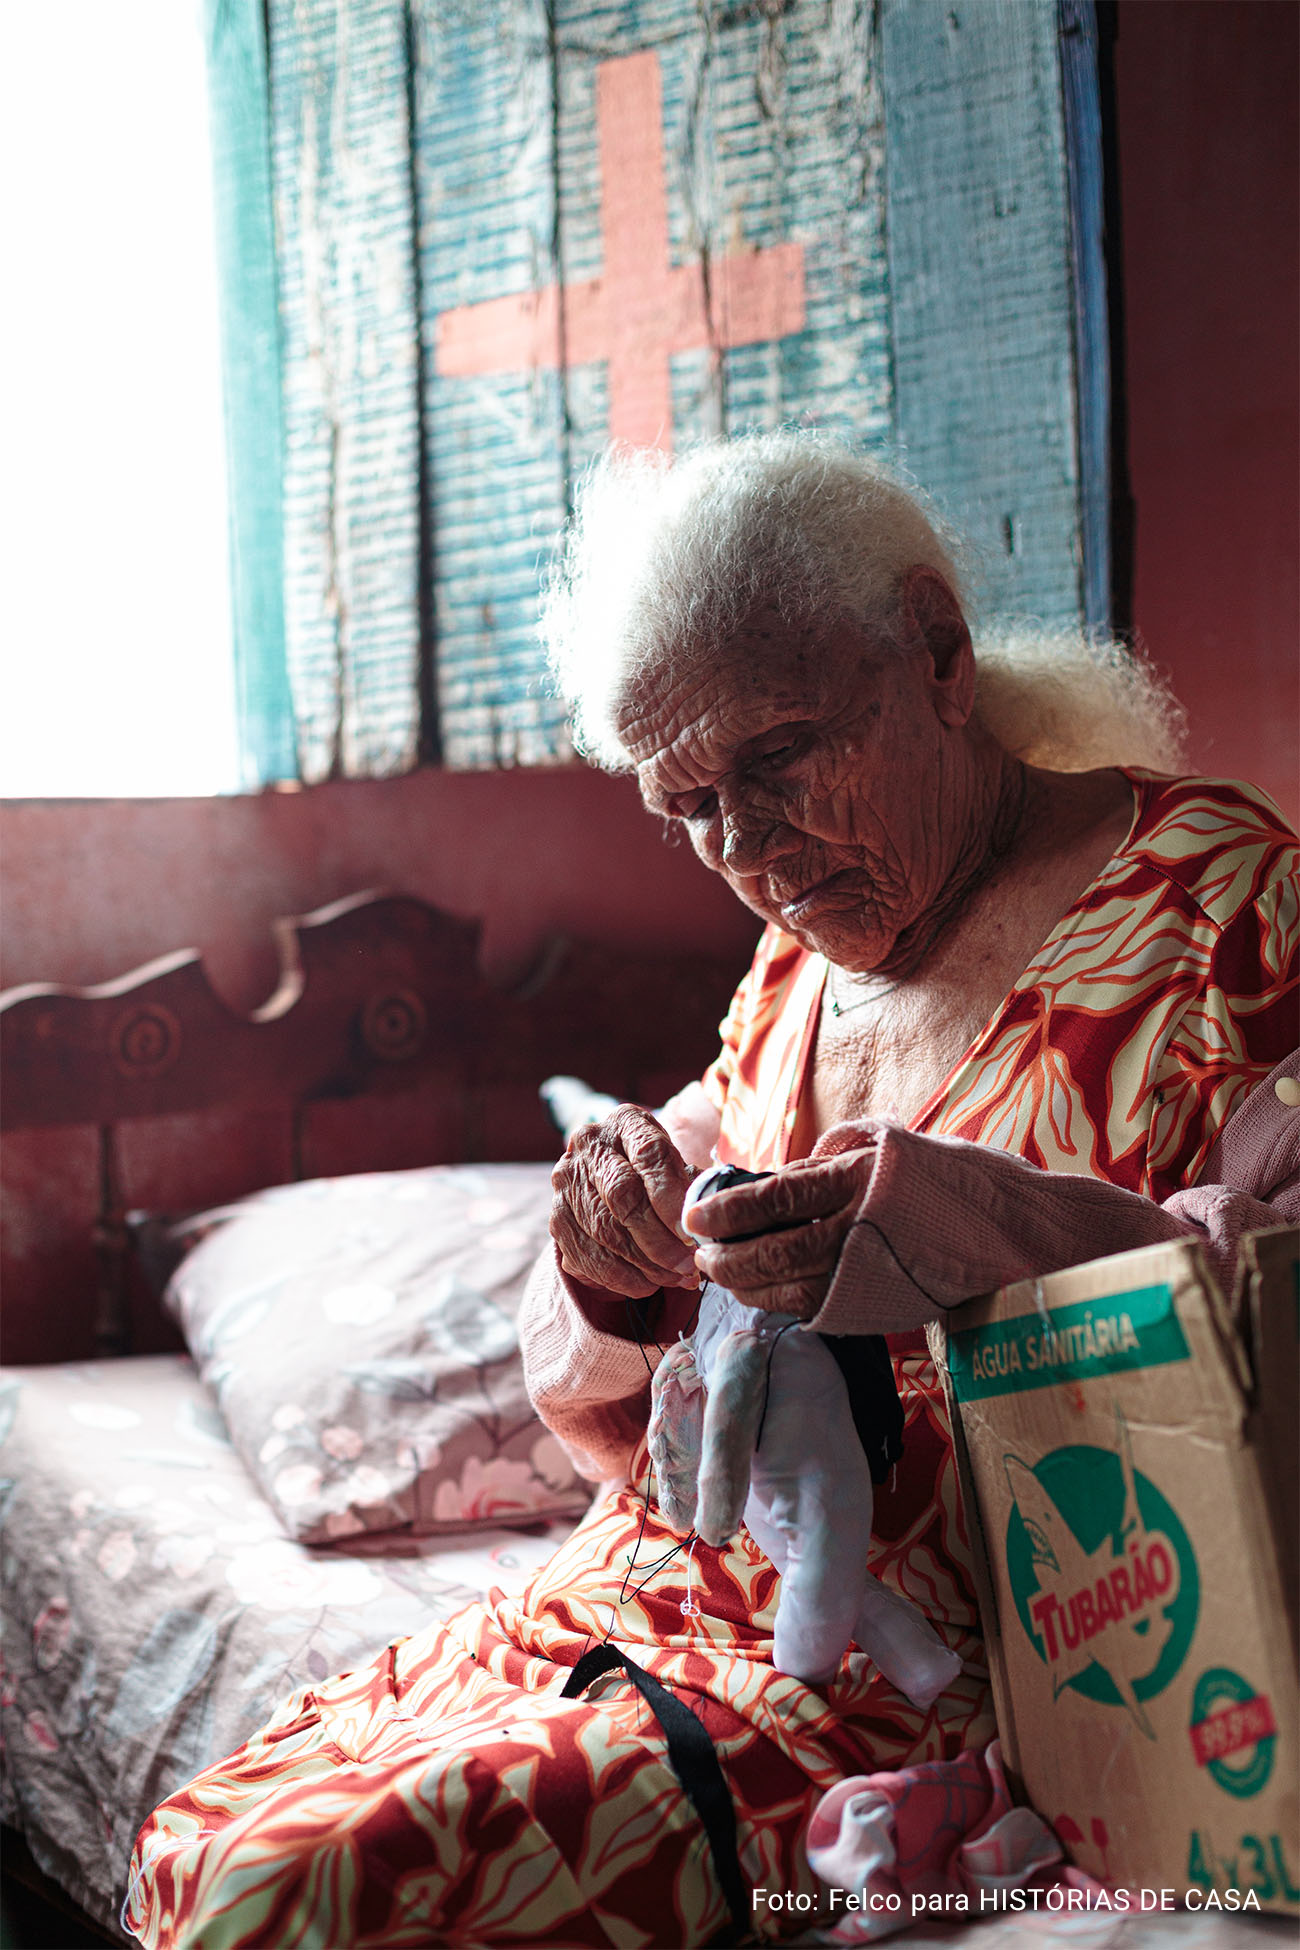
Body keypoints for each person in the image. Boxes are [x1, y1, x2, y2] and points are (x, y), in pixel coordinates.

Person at [125, 435, 1297, 1950]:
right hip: (634, 1607)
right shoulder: (799, 964)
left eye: (776, 757)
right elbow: (648, 1385)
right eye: (686, 803)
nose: (740, 849)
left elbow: (1280, 1305)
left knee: (281, 1894)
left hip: (919, 1677)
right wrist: (613, 1252)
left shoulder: (1229, 907)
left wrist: (990, 1235)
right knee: (201, 1831)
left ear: (936, 651)